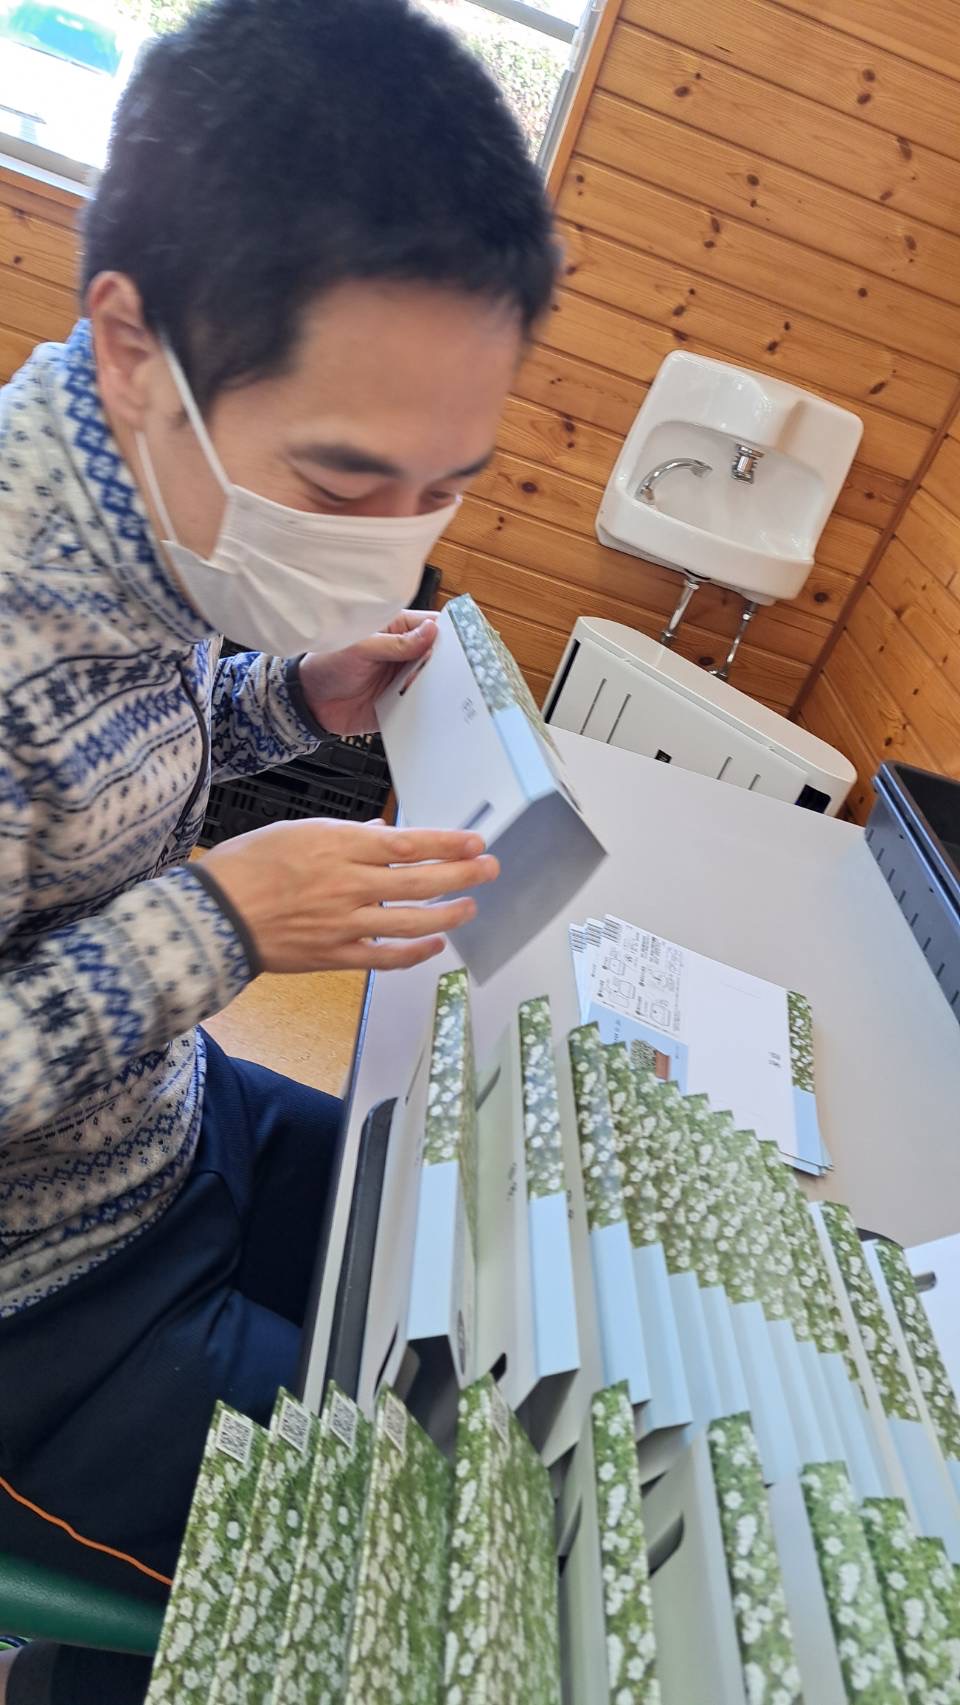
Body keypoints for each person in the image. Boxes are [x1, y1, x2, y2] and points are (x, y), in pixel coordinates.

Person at [0, 0, 556, 1697]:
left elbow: (116, 772)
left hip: (166, 1127)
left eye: (443, 485)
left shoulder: (137, 507)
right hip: (42, 1311)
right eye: (342, 479)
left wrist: (290, 695)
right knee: (463, 1574)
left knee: (492, 1262)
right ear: (130, 345)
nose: (396, 543)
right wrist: (217, 925)